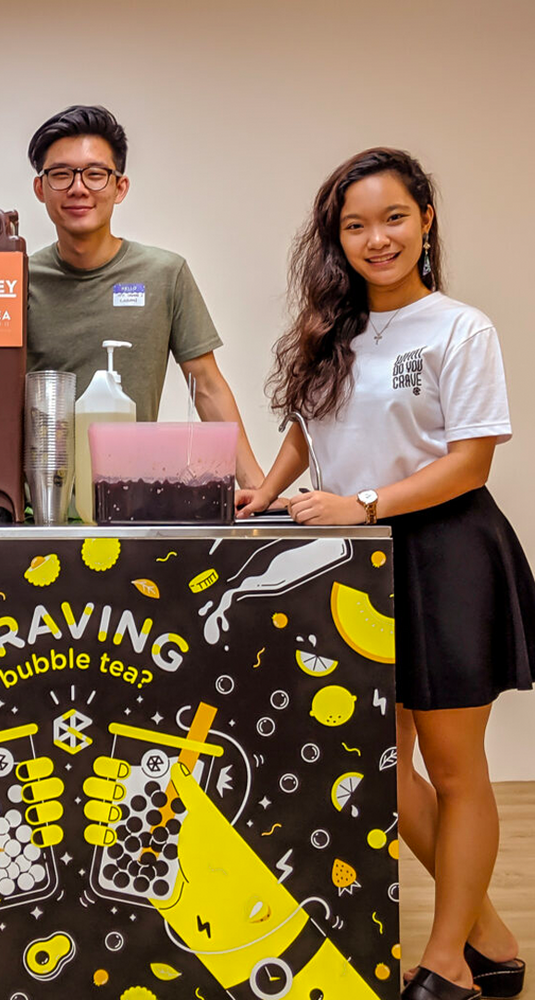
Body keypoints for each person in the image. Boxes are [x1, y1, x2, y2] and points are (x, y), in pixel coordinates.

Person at [238, 148, 530, 1000]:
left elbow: (471, 462)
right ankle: (490, 937)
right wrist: (269, 490)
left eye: (394, 218)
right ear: (337, 238)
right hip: (357, 559)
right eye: (356, 225)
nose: (378, 239)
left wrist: (364, 504)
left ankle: (447, 963)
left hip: (446, 553)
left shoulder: (460, 328)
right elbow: (308, 427)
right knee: (380, 769)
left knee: (455, 766)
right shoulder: (329, 331)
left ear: (426, 220)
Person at [26, 104, 264, 488]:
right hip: (38, 503)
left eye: (95, 174)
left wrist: (258, 489)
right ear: (41, 188)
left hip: (128, 497)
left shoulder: (164, 274)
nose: (78, 188)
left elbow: (207, 385)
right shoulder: (18, 280)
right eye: (61, 174)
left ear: (119, 187)